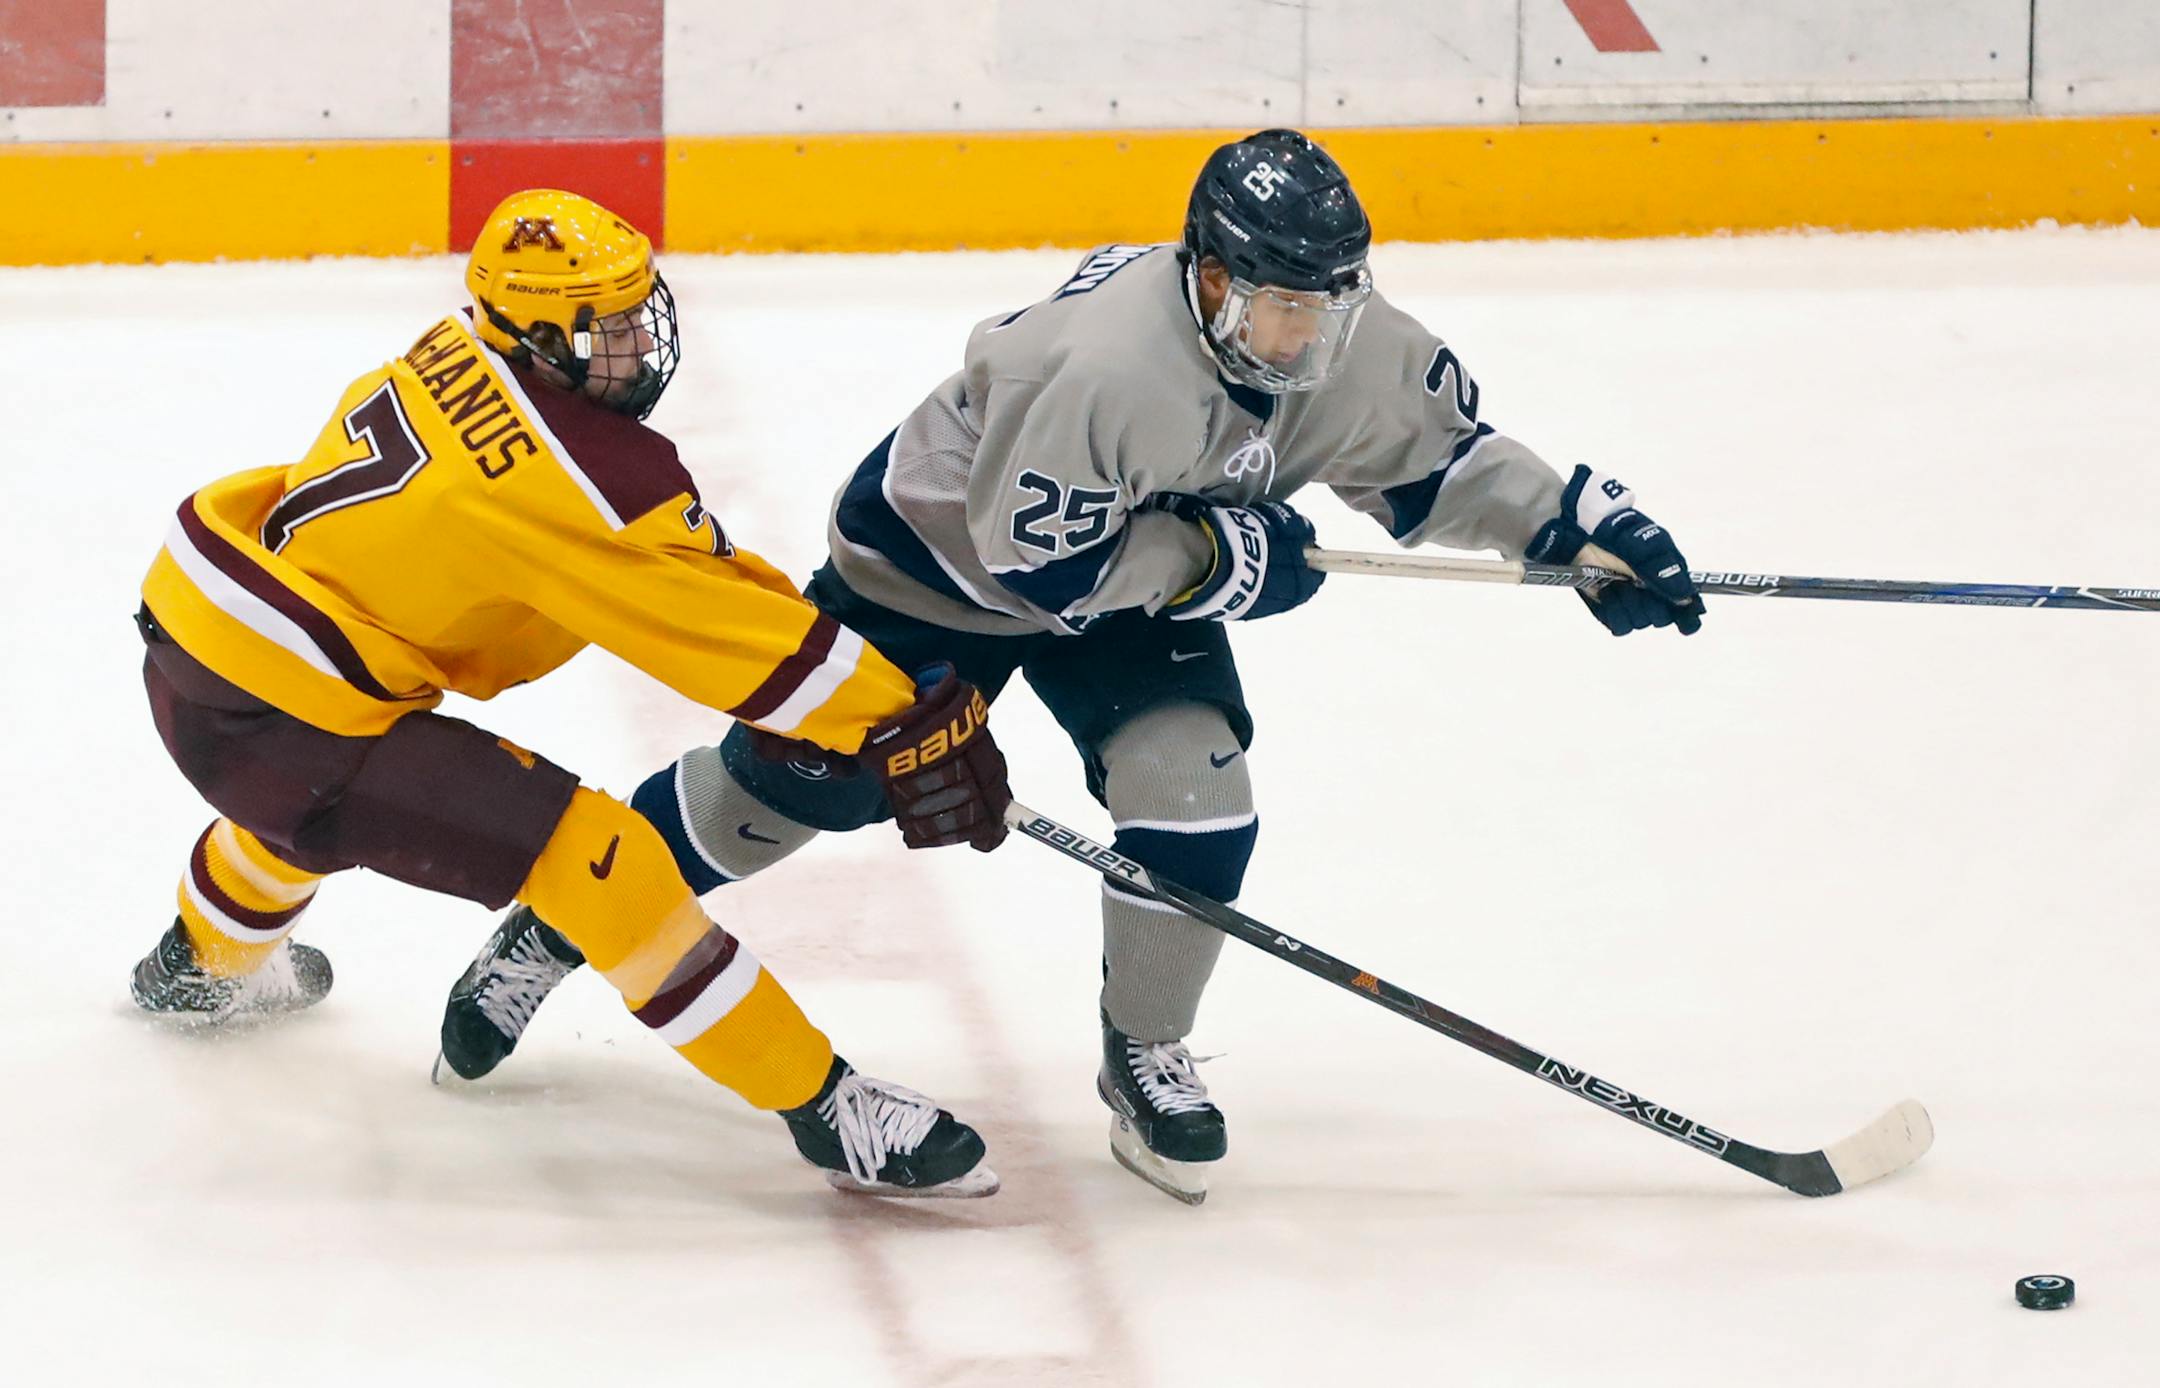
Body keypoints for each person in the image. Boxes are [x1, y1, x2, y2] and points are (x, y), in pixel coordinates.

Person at [439, 132, 1703, 1204]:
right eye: (1276, 309)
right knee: (796, 787)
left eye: (1323, 306)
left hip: (1151, 552)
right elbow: (1043, 569)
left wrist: (1576, 527)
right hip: (939, 562)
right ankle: (559, 922)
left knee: (1197, 794)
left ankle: (1144, 1050)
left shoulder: (1342, 334)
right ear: (1209, 279)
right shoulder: (1105, 366)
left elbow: (1437, 457)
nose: (1302, 339)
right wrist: (1224, 563)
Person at [130, 188, 1011, 1199]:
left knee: (306, 803)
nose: (642, 344)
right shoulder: (570, 476)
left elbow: (667, 572)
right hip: (292, 712)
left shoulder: (456, 344)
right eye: (612, 329)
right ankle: (829, 1111)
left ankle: (195, 963)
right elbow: (710, 620)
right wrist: (893, 714)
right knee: (602, 863)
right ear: (539, 337)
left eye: (643, 312)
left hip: (203, 643)